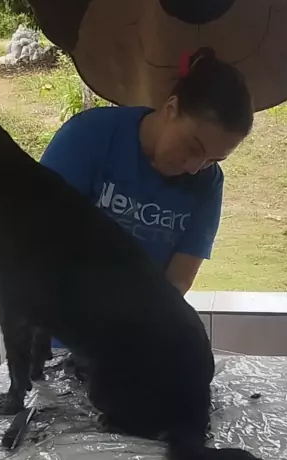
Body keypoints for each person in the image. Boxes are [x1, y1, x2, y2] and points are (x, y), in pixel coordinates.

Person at [40, 48, 253, 296]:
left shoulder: (208, 182)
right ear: (171, 108)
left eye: (213, 160)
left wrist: (147, 316)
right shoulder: (89, 136)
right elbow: (39, 233)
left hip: (142, 314)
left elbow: (179, 281)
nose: (195, 168)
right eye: (193, 148)